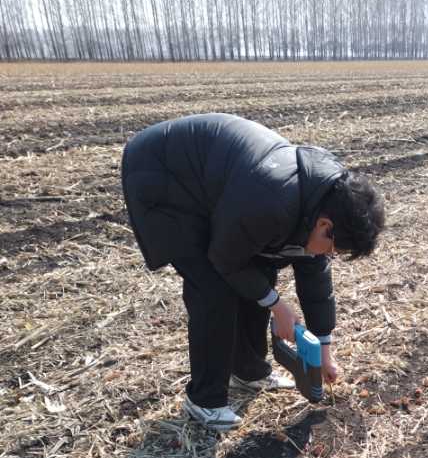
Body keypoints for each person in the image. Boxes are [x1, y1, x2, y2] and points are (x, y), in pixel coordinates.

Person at [121, 113, 385, 431]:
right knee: (214, 288)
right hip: (164, 174)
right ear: (325, 225)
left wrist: (324, 351)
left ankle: (248, 372)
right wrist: (278, 306)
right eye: (332, 249)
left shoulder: (323, 203)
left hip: (225, 186)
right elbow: (225, 258)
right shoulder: (274, 200)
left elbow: (316, 283)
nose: (327, 256)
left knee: (259, 272)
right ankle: (205, 401)